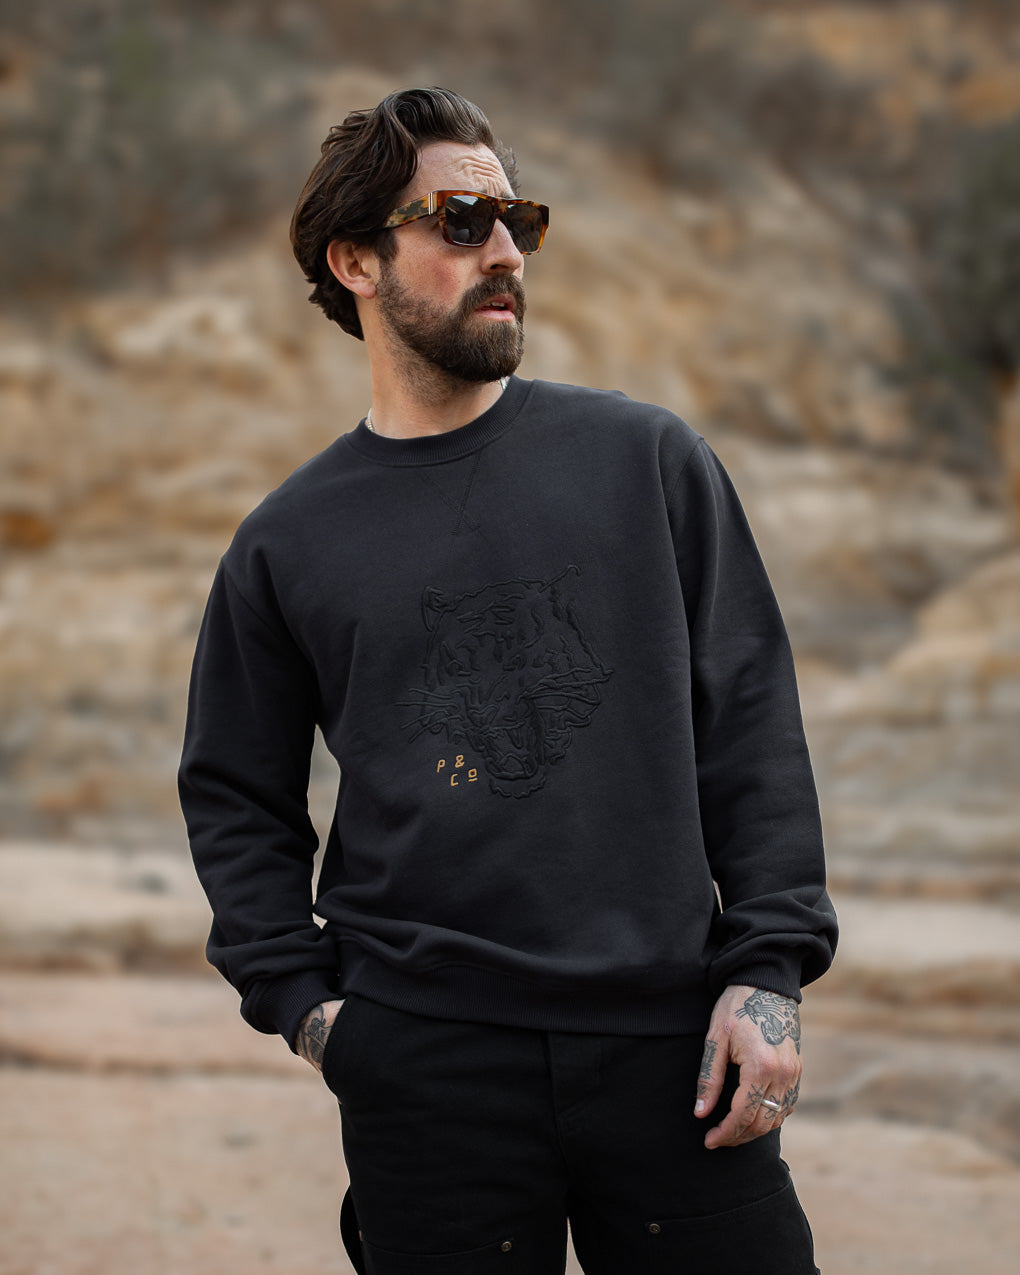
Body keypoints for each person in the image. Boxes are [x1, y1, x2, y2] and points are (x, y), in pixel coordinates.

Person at [179, 86, 837, 1275]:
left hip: (673, 1049)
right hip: (426, 1063)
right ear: (355, 261)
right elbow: (235, 794)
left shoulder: (646, 461)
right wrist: (315, 1014)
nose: (505, 254)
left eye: (517, 222)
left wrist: (768, 976)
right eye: (461, 222)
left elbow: (750, 723)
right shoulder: (288, 540)